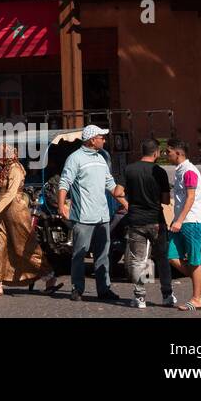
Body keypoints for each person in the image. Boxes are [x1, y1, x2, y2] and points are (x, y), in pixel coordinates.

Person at [58, 125, 128, 303]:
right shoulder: (75, 158)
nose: (104, 139)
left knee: (103, 255)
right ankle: (77, 288)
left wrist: (126, 204)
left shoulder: (102, 158)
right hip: (83, 217)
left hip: (103, 216)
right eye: (101, 137)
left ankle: (104, 290)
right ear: (91, 140)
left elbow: (110, 185)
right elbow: (64, 183)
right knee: (79, 255)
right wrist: (61, 206)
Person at [0, 144, 60, 296]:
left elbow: (11, 194)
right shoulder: (2, 169)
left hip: (16, 212)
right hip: (2, 214)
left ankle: (49, 276)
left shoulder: (16, 169)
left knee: (25, 247)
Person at [121, 139, 176, 309]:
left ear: (142, 150)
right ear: (156, 153)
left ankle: (140, 298)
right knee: (162, 258)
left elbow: (117, 191)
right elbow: (166, 200)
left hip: (136, 220)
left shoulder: (129, 169)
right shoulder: (159, 171)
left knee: (140, 259)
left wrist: (127, 203)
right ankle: (167, 296)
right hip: (156, 220)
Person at [165, 139, 201, 311]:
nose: (166, 155)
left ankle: (196, 299)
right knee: (172, 256)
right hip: (181, 221)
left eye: (168, 152)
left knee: (194, 261)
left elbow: (190, 198)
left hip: (191, 222)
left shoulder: (190, 171)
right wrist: (176, 219)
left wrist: (179, 219)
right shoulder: (180, 170)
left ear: (178, 153)